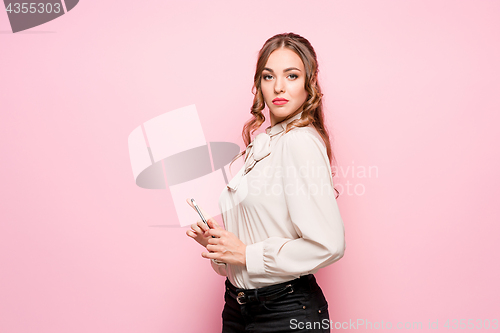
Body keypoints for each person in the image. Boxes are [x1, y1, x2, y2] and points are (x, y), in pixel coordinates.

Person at [186, 32, 346, 333]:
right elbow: (250, 246)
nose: (279, 87)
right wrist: (222, 247)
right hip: (238, 307)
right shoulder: (262, 145)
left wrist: (245, 254)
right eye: (268, 76)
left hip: (285, 312)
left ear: (308, 85)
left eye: (292, 75)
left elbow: (330, 244)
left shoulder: (299, 142)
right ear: (258, 84)